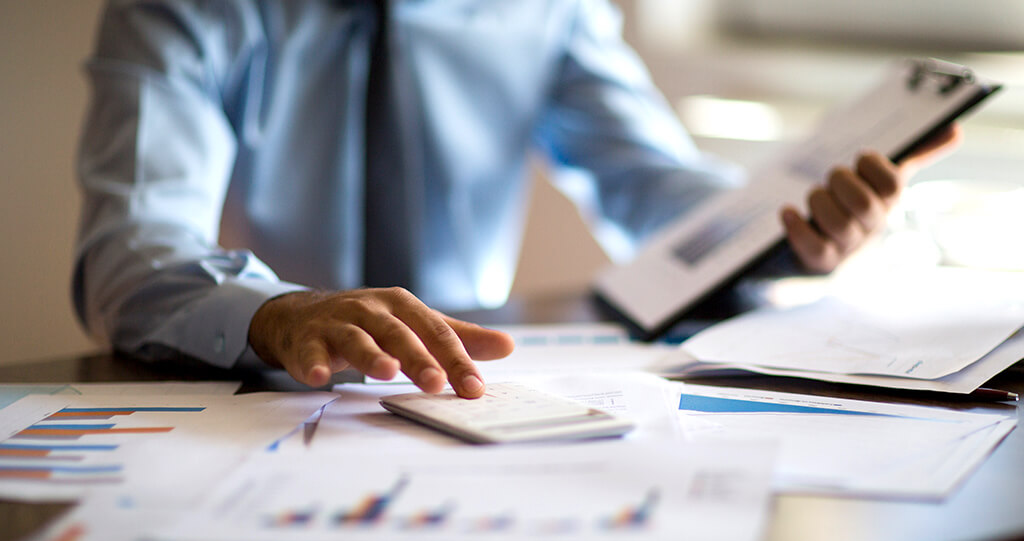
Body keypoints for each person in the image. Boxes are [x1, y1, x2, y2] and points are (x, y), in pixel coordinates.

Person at [73, 0, 959, 399]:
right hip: (262, 397)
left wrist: (789, 228)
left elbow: (651, 186)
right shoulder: (179, 7)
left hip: (474, 393)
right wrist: (276, 311)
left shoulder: (547, 7)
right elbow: (130, 245)